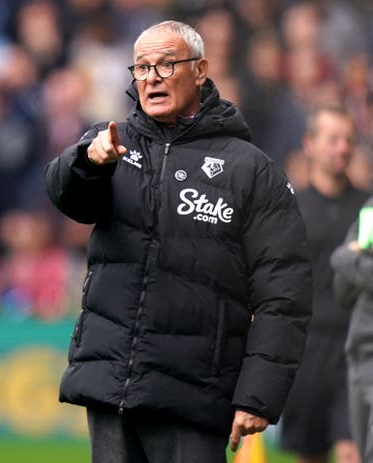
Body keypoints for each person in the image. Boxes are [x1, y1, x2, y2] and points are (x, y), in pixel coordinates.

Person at [45, 20, 312, 462]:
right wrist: (85, 162)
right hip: (114, 387)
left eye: (166, 65)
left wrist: (258, 394)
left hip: (194, 395)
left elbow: (285, 291)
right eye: (142, 67)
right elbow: (66, 197)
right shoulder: (111, 143)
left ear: (201, 69)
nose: (151, 77)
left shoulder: (250, 169)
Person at [280, 106, 366, 463]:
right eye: (333, 139)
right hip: (307, 350)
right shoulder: (289, 208)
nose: (343, 148)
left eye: (349, 140)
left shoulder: (369, 208)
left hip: (357, 348)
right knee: (311, 454)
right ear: (310, 144)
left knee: (353, 450)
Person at [331, 202, 373, 462]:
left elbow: (343, 260)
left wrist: (346, 259)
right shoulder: (371, 209)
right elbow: (343, 293)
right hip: (359, 354)